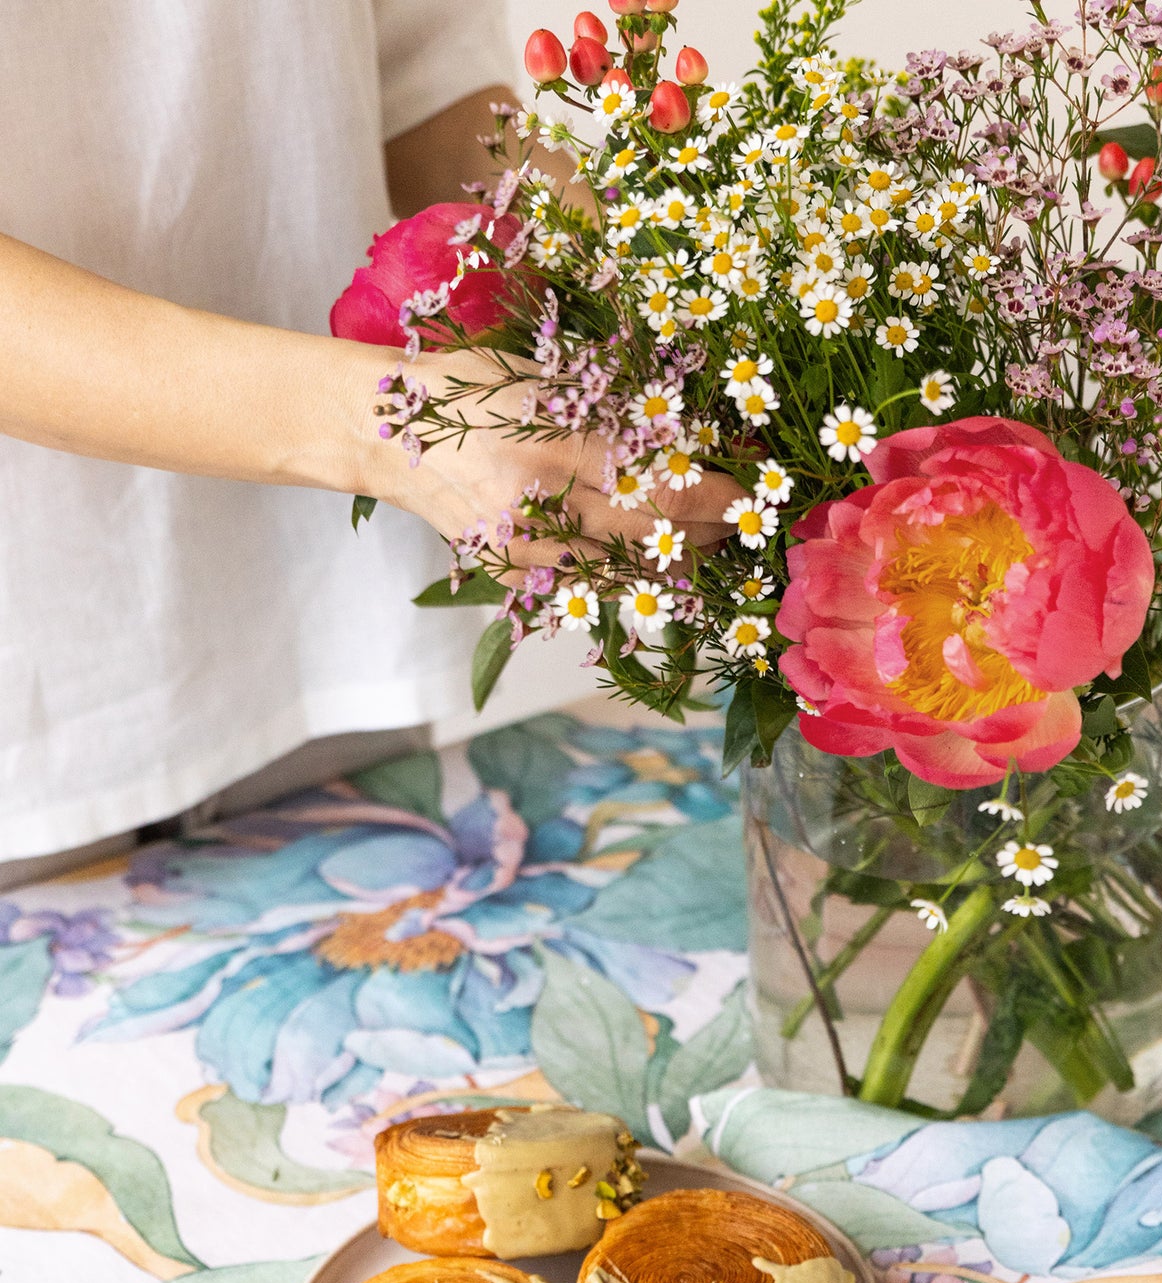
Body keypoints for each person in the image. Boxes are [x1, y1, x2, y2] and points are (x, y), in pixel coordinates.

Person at [0, 0, 741, 875]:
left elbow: (417, 77)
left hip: (327, 634)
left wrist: (680, 311)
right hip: (38, 683)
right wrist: (389, 426)